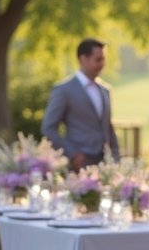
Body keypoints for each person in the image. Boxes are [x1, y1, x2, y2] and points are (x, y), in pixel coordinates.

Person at [42, 38, 120, 171]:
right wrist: (72, 154)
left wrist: (116, 156)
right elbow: (48, 128)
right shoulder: (64, 90)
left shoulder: (105, 90)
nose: (102, 64)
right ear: (83, 59)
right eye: (98, 59)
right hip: (79, 164)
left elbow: (108, 126)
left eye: (103, 59)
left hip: (105, 164)